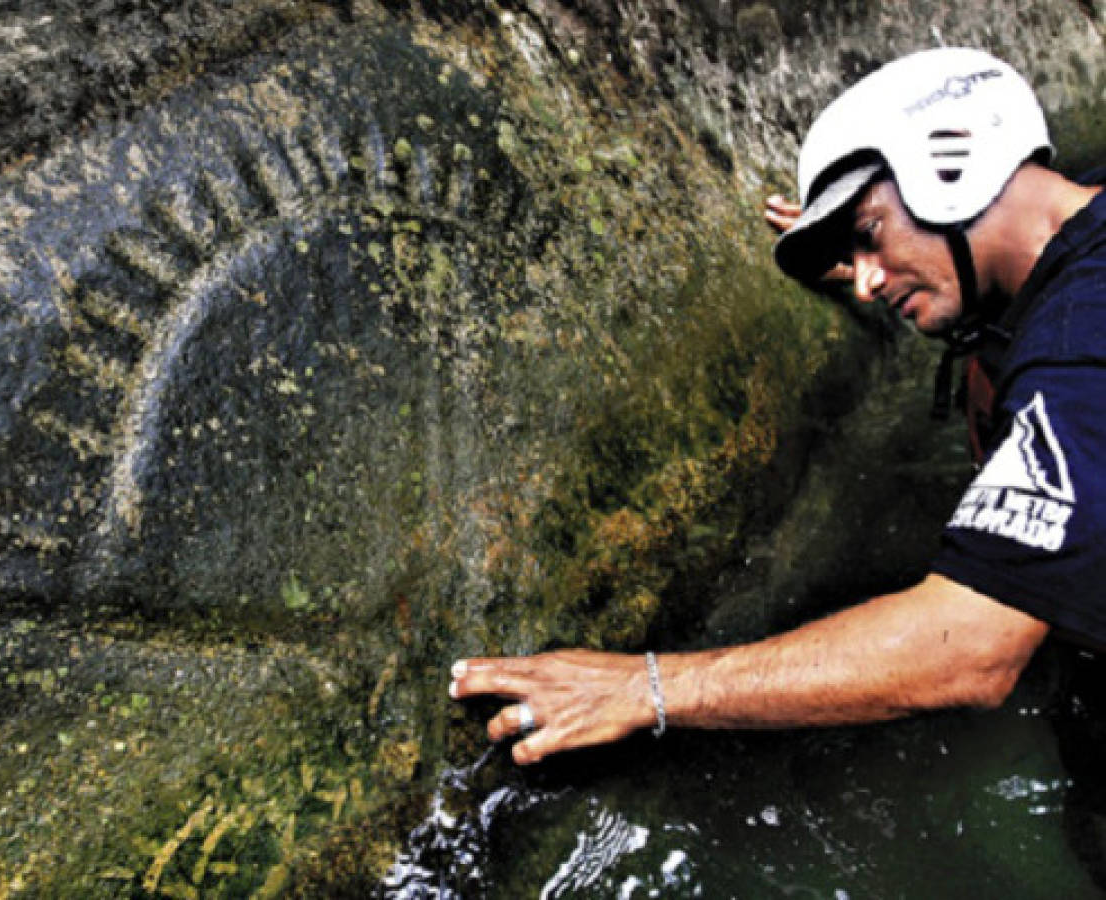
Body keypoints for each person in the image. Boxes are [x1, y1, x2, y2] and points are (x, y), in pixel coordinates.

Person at [448, 47, 1106, 769]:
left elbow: (967, 649)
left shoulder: (1080, 345)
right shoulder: (1078, 221)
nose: (862, 284)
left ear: (952, 171)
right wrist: (878, 253)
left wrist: (646, 687)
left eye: (867, 233)